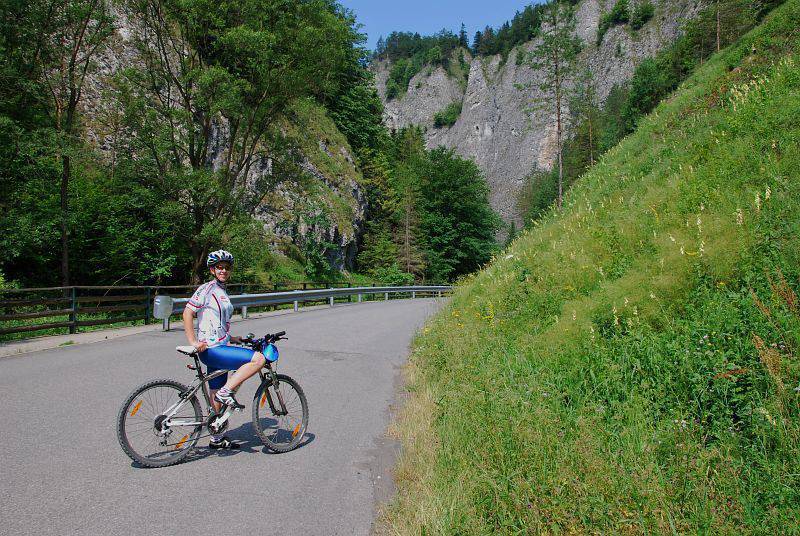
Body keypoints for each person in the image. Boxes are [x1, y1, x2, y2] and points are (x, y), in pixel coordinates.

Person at [182, 249, 267, 450]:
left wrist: (233, 338)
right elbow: (187, 312)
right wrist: (193, 341)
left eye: (226, 268)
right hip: (212, 350)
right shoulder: (207, 288)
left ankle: (217, 438)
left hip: (219, 346)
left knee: (215, 391)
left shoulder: (221, 291)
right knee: (258, 359)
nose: (223, 270)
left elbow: (215, 323)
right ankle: (226, 392)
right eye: (219, 267)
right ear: (212, 270)